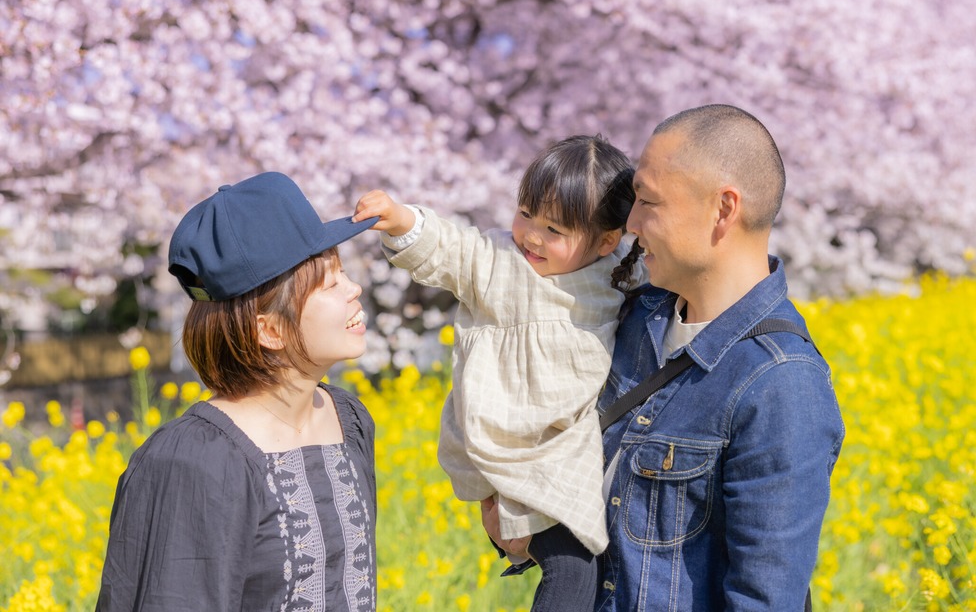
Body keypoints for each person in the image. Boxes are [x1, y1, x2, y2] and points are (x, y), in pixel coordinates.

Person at [485, 105, 845, 610]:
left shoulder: (781, 383)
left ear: (723, 210)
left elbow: (764, 600)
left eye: (648, 202)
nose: (629, 223)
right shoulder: (632, 317)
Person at [352, 135, 640, 612]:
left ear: (607, 241)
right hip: (501, 444)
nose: (531, 235)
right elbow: (451, 248)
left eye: (554, 229)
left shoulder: (619, 279)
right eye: (526, 213)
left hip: (564, 452)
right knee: (574, 566)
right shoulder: (498, 263)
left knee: (582, 568)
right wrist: (403, 220)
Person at [96, 172, 380, 612]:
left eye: (343, 272)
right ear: (268, 329)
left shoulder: (349, 418)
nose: (354, 289)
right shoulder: (191, 460)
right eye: (329, 284)